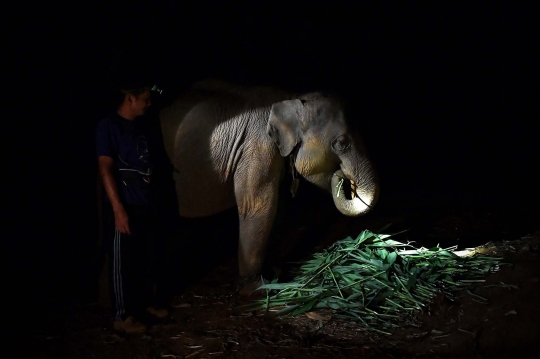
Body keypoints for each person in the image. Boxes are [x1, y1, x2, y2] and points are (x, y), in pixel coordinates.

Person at [96, 83, 169, 334]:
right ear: (130, 98)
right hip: (123, 203)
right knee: (121, 262)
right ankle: (121, 316)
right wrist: (118, 209)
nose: (149, 104)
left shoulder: (140, 126)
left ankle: (143, 305)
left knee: (144, 258)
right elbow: (105, 168)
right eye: (145, 99)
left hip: (143, 202)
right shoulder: (109, 126)